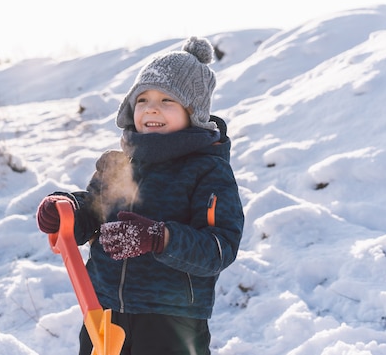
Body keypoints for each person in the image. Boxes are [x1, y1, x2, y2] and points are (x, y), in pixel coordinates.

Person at [36, 36, 244, 355]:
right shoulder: (117, 165)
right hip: (102, 312)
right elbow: (93, 214)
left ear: (194, 112)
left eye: (167, 100)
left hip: (171, 322)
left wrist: (160, 238)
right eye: (143, 99)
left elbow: (220, 247)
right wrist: (68, 209)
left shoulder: (207, 172)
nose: (151, 109)